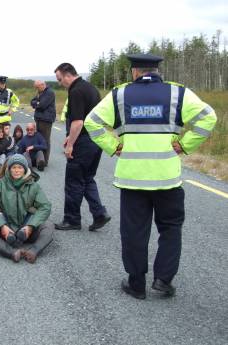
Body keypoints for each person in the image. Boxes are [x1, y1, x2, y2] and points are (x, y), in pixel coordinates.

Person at [84, 53, 217, 299]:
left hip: (132, 179)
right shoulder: (178, 93)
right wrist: (186, 144)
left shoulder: (119, 95)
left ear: (134, 72)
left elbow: (92, 122)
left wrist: (112, 146)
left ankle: (136, 285)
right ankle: (163, 280)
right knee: (170, 228)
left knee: (134, 232)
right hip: (167, 178)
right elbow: (208, 117)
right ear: (157, 70)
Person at [54, 63, 110, 231]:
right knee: (87, 178)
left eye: (59, 79)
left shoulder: (76, 91)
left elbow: (78, 121)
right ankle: (99, 214)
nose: (59, 83)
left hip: (83, 142)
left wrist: (70, 144)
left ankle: (72, 220)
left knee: (74, 181)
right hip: (96, 141)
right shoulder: (90, 88)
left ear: (67, 75)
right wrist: (69, 137)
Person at [0, 154, 54, 263]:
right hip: (6, 228)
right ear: (9, 170)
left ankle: (34, 251)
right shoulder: (0, 184)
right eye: (13, 167)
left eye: (20, 167)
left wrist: (30, 226)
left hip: (27, 228)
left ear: (25, 169)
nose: (17, 170)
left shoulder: (34, 186)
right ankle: (11, 253)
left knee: (48, 226)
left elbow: (45, 206)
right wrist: (2, 226)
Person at [31, 80, 56, 165]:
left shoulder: (49, 93)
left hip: (46, 120)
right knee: (39, 139)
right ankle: (39, 158)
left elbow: (42, 105)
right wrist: (36, 103)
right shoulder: (40, 92)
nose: (36, 89)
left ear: (43, 85)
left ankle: (44, 160)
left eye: (37, 87)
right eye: (36, 87)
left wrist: (37, 103)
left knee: (45, 140)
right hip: (39, 118)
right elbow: (32, 102)